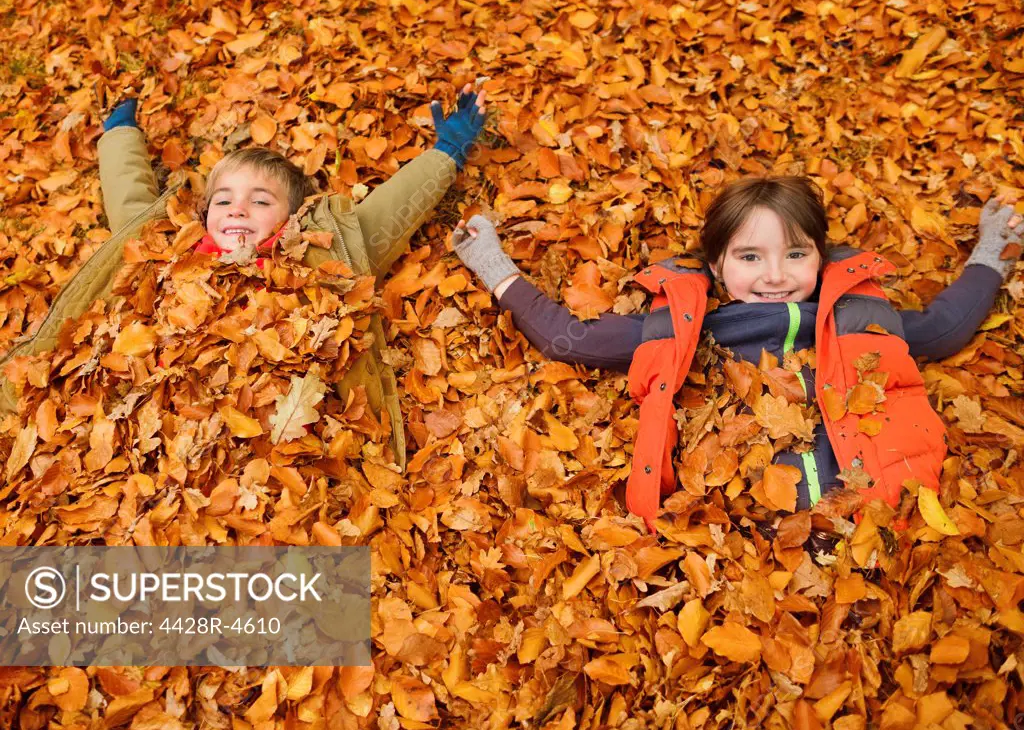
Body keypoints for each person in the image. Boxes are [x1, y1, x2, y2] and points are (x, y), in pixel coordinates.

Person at [452, 176, 1024, 532]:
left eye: (795, 254)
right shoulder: (689, 328)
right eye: (750, 257)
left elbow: (944, 329)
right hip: (737, 530)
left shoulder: (864, 320)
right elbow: (567, 339)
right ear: (717, 266)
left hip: (876, 520)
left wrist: (994, 252)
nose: (775, 276)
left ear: (821, 259)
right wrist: (494, 267)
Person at [0, 87, 488, 473]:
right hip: (149, 405)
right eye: (224, 199)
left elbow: (389, 214)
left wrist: (449, 149)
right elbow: (128, 200)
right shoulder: (171, 248)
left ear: (293, 219)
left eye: (260, 200)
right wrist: (120, 132)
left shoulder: (323, 257)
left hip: (257, 430)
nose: (237, 208)